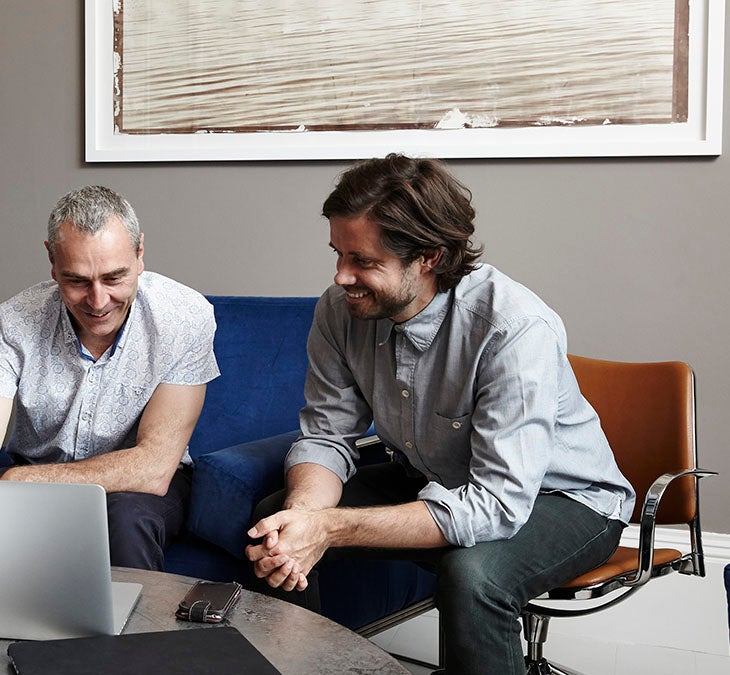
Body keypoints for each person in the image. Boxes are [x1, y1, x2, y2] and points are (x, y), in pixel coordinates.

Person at [246, 154, 635, 674]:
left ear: (427, 256)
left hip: (561, 499)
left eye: (362, 260)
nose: (341, 276)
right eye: (338, 253)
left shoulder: (512, 327)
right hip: (436, 479)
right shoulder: (339, 312)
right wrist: (306, 520)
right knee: (273, 524)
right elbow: (325, 436)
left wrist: (331, 529)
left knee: (472, 574)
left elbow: (497, 504)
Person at [0, 185, 219, 570]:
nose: (98, 300)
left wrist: (22, 482)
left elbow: (154, 468)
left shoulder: (185, 317)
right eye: (76, 281)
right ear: (52, 262)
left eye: (114, 278)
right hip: (34, 480)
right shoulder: (11, 324)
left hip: (139, 488)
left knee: (125, 519)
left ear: (140, 254)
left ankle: (141, 634)